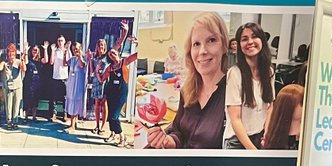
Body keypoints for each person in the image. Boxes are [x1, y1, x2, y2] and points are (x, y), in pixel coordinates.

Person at [146, 12, 228, 150]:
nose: (202, 51)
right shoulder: (187, 90)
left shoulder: (234, 93)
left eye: (211, 40)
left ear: (224, 46)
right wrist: (168, 141)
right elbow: (179, 131)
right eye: (196, 44)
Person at [224, 21, 276, 149]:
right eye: (244, 39)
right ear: (239, 45)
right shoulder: (235, 74)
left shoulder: (269, 71)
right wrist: (253, 152)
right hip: (237, 141)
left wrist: (267, 133)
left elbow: (270, 105)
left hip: (259, 137)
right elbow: (235, 119)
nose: (250, 42)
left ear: (262, 40)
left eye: (254, 36)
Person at [98, 37, 138, 147]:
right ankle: (113, 134)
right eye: (110, 55)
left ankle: (122, 137)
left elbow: (136, 56)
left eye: (114, 53)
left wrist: (137, 43)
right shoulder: (110, 67)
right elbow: (102, 79)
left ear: (118, 54)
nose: (112, 55)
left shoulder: (124, 62)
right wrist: (97, 72)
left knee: (114, 116)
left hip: (121, 94)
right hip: (111, 93)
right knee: (110, 114)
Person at [262, 84, 304, 150]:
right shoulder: (274, 139)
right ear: (289, 107)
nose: (305, 107)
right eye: (302, 104)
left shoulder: (308, 136)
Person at [0, 43, 24, 131]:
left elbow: (24, 69)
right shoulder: (4, 62)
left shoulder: (18, 61)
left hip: (17, 87)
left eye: (12, 53)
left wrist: (23, 59)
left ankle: (15, 122)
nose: (11, 55)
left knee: (16, 105)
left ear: (15, 53)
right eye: (9, 53)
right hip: (8, 88)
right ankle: (9, 122)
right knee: (8, 106)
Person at [87, 37, 110, 134]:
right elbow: (92, 72)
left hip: (105, 81)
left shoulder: (107, 57)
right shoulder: (95, 57)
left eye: (102, 45)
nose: (100, 47)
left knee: (104, 103)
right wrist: (90, 60)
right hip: (96, 81)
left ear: (104, 47)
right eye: (99, 45)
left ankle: (103, 126)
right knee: (97, 103)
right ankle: (96, 125)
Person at [63, 40, 87, 131]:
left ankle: (72, 125)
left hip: (78, 84)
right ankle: (74, 123)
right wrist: (66, 52)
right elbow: (65, 63)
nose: (75, 51)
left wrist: (80, 55)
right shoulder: (72, 59)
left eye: (76, 49)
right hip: (71, 83)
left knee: (75, 102)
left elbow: (81, 65)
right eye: (73, 49)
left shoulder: (83, 58)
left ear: (80, 49)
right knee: (71, 100)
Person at [22, 44, 48, 121]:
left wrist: (45, 49)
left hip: (37, 82)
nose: (35, 51)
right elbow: (25, 61)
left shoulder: (40, 60)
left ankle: (34, 116)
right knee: (28, 99)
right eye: (33, 50)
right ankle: (26, 116)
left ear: (38, 51)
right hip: (29, 81)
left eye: (36, 50)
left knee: (35, 99)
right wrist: (26, 50)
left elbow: (46, 60)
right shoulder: (29, 60)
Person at [48, 35, 68, 121]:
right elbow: (51, 62)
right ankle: (54, 114)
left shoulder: (68, 51)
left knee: (65, 97)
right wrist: (52, 51)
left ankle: (65, 114)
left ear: (64, 42)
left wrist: (65, 52)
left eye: (61, 41)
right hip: (55, 77)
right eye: (59, 40)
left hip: (64, 77)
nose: (60, 42)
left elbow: (66, 64)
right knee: (54, 97)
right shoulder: (55, 51)